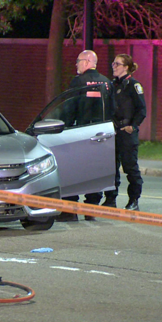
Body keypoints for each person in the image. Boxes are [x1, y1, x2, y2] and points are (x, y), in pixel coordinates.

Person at [57, 50, 114, 222]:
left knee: (72, 171)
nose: (76, 64)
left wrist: (64, 127)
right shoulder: (106, 82)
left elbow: (70, 106)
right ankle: (91, 209)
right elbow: (113, 109)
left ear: (87, 61)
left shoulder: (78, 81)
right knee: (95, 171)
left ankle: (70, 210)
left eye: (78, 61)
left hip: (79, 132)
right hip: (102, 133)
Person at [102, 54, 146, 211]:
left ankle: (134, 200)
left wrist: (133, 126)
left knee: (130, 167)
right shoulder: (111, 86)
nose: (113, 66)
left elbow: (142, 110)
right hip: (112, 132)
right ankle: (110, 200)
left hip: (126, 133)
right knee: (111, 168)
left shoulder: (134, 85)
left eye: (117, 64)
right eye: (113, 63)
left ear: (126, 67)